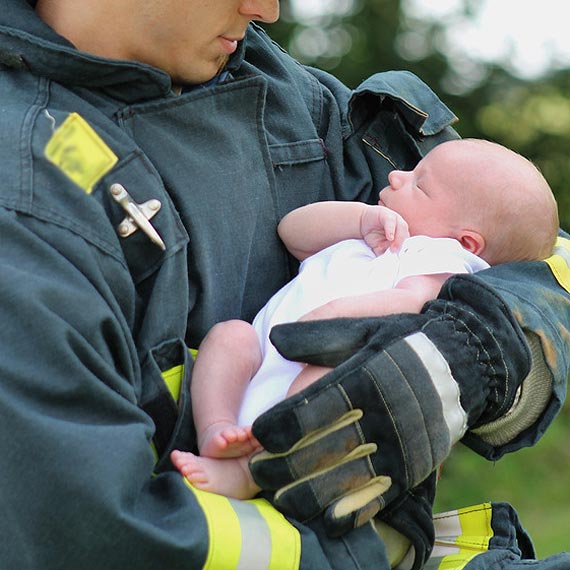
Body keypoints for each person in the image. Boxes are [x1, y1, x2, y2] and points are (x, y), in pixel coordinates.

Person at [1, 1, 570, 569]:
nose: (267, 10)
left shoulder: (287, 92)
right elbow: (96, 533)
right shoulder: (28, 194)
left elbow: (538, 251)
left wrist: (479, 353)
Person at [170, 138, 558, 500]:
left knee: (321, 386)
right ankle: (215, 429)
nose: (395, 175)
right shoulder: (378, 231)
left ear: (466, 242)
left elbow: (409, 300)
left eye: (419, 185)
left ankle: (250, 471)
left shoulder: (442, 259)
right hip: (263, 354)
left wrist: (334, 316)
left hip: (320, 360)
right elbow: (292, 234)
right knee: (229, 337)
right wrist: (357, 220)